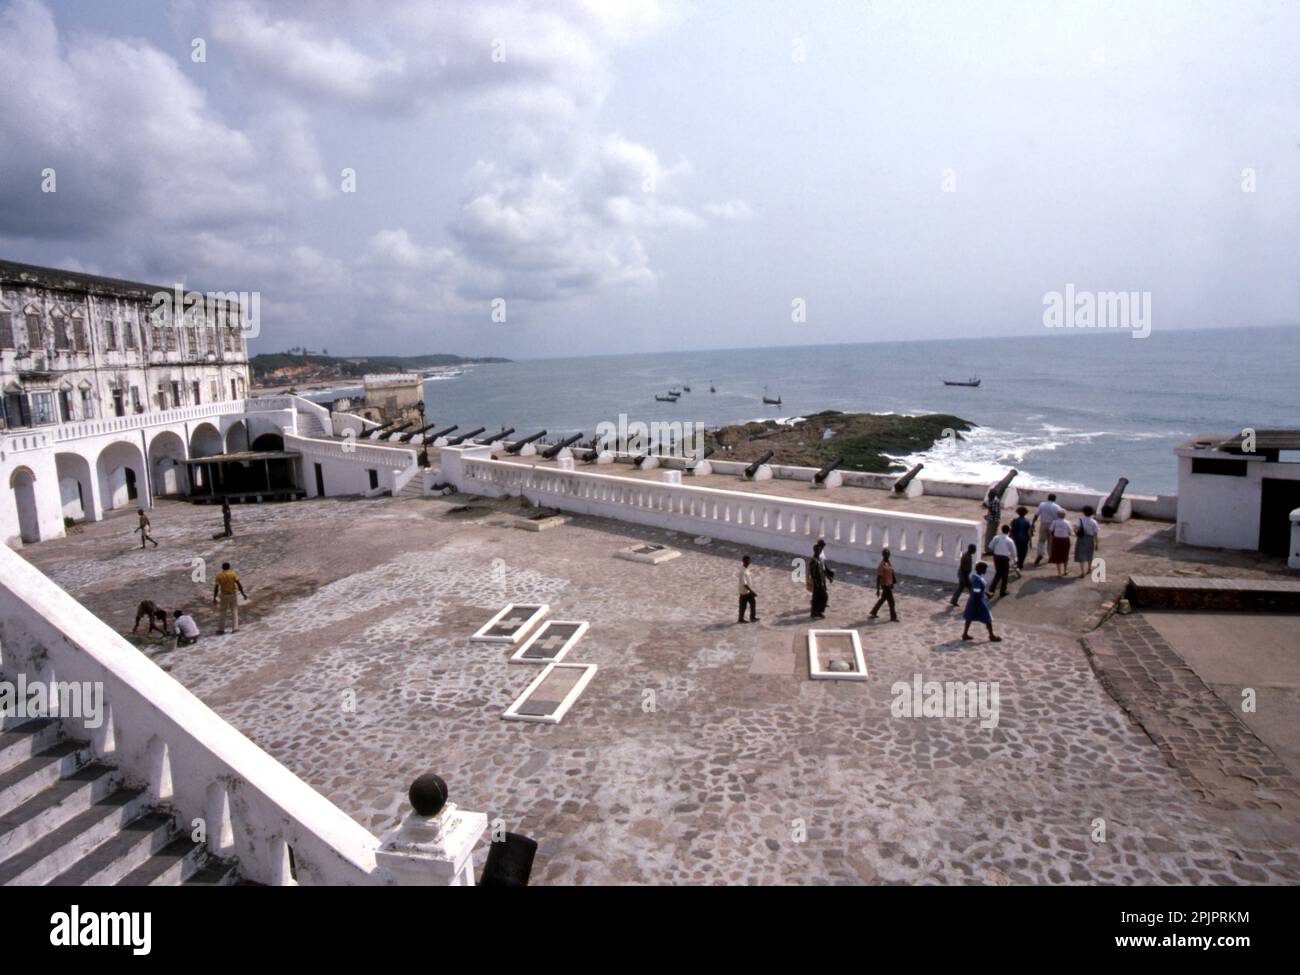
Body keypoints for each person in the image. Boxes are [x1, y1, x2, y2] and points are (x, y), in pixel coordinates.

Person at [961, 561, 1002, 643]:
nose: (986, 570)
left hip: (974, 599)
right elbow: (976, 592)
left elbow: (977, 590)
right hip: (978, 601)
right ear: (981, 569)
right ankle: (991, 635)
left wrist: (986, 593)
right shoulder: (977, 580)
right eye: (985, 569)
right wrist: (977, 605)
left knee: (969, 617)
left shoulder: (975, 577)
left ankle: (965, 633)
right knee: (988, 617)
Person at [212, 561, 249, 634]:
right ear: (229, 567)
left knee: (222, 612)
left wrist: (214, 597)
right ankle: (235, 628)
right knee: (234, 610)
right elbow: (239, 584)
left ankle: (221, 629)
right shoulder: (233, 574)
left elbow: (216, 587)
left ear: (222, 568)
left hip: (224, 595)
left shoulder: (219, 576)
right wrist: (243, 594)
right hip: (233, 594)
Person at [1032, 494, 1064, 565]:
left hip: (1043, 524)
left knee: (1041, 540)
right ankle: (1050, 556)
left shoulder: (1042, 504)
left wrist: (1033, 523)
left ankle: (1040, 554)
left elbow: (1036, 514)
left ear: (1048, 498)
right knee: (1050, 542)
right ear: (1055, 499)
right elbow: (1060, 517)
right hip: (1053, 525)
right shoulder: (1057, 507)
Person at [869, 548, 899, 621]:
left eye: (888, 554)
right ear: (883, 555)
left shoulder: (888, 562)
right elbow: (878, 577)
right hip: (885, 585)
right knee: (891, 602)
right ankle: (893, 617)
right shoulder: (882, 565)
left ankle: (874, 611)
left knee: (883, 599)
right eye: (886, 554)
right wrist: (878, 589)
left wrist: (893, 582)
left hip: (888, 584)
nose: (887, 556)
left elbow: (891, 572)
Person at [807, 540, 834, 619]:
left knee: (816, 598)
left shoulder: (819, 559)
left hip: (821, 581)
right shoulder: (814, 561)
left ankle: (814, 612)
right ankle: (818, 611)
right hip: (818, 583)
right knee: (824, 596)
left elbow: (823, 569)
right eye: (819, 550)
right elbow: (813, 575)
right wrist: (818, 584)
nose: (820, 551)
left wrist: (828, 577)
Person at [988, 525, 1017, 597]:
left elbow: (990, 546)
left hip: (996, 557)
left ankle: (991, 590)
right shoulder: (1010, 541)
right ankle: (1002, 591)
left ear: (1002, 530)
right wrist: (1015, 559)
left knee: (998, 573)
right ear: (1009, 531)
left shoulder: (996, 538)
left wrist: (996, 549)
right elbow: (1013, 551)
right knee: (1004, 576)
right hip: (1004, 558)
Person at [1074, 504, 1101, 578]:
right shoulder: (1094, 522)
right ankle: (1089, 568)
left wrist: (1077, 534)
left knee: (1081, 555)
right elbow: (1095, 533)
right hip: (1090, 538)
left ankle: (1082, 571)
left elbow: (1075, 528)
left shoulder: (1080, 520)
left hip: (1081, 538)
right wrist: (1097, 544)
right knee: (1089, 554)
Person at [1049, 511, 1073, 577]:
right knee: (1065, 555)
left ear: (1058, 515)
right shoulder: (1068, 522)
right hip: (1065, 539)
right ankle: (1065, 571)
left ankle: (1059, 572)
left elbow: (1051, 530)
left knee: (1057, 555)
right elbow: (1070, 532)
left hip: (1057, 539)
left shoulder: (1055, 522)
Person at [1009, 506, 1033, 571]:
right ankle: (1021, 564)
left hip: (1016, 539)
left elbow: (1011, 531)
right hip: (1025, 539)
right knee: (1023, 552)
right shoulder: (1028, 522)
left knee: (1017, 551)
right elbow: (1029, 532)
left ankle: (1017, 563)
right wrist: (1030, 541)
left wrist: (1009, 537)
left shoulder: (1014, 521)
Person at [737, 555, 758, 624]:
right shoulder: (742, 571)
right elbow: (744, 583)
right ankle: (741, 619)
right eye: (747, 561)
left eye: (749, 561)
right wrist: (752, 591)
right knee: (743, 606)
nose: (748, 562)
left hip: (748, 591)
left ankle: (752, 617)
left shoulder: (746, 569)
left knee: (752, 603)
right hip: (744, 591)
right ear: (743, 561)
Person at [982, 489, 1002, 554]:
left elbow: (994, 512)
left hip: (993, 521)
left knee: (990, 536)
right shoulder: (993, 500)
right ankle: (989, 550)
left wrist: (987, 506)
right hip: (991, 520)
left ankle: (990, 551)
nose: (988, 495)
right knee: (989, 536)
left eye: (990, 494)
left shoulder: (995, 501)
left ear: (993, 494)